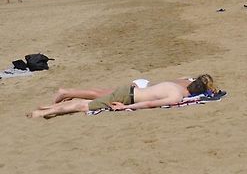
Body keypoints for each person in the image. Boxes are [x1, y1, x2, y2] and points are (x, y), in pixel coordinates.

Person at [28, 74, 217, 118]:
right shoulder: (176, 96)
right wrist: (125, 107)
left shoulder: (175, 84)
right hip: (128, 97)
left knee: (92, 99)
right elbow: (150, 104)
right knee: (83, 106)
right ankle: (40, 113)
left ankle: (48, 108)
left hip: (130, 90)